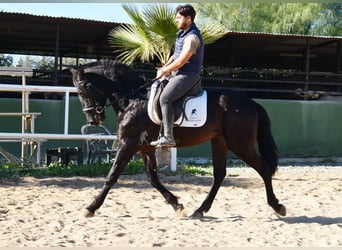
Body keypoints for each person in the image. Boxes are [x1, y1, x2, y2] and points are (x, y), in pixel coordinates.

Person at [150, 4, 204, 147]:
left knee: (165, 99)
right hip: (179, 73)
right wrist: (165, 67)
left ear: (188, 18)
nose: (176, 21)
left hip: (188, 75)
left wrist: (165, 71)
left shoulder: (193, 37)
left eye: (179, 18)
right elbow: (176, 55)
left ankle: (168, 138)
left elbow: (181, 61)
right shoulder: (183, 34)